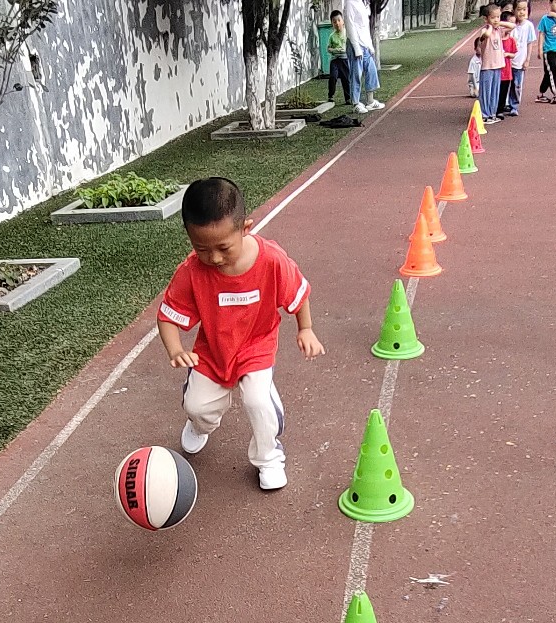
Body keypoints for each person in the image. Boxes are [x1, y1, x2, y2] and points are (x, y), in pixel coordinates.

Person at [157, 178, 325, 492]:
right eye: (202, 248)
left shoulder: (271, 260)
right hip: (213, 352)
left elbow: (298, 293)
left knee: (259, 402)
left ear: (245, 228)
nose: (214, 258)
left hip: (256, 347)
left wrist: (306, 328)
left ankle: (269, 457)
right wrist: (175, 349)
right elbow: (167, 316)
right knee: (197, 407)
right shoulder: (191, 272)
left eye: (224, 248)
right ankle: (201, 425)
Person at [345, 0, 385, 113]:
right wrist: (356, 47)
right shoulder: (349, 3)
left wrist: (370, 46)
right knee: (356, 75)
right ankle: (356, 103)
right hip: (355, 44)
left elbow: (365, 27)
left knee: (371, 71)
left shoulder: (363, 3)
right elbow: (350, 26)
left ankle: (370, 101)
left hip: (365, 45)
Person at [478, 4, 506, 123]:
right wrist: (490, 26)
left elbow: (513, 26)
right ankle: (485, 114)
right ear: (486, 19)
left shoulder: (498, 30)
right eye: (493, 17)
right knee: (486, 92)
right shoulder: (485, 30)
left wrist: (499, 23)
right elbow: (487, 35)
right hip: (487, 67)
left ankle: (492, 113)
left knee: (495, 91)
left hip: (498, 65)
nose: (496, 20)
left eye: (498, 17)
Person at [508, 0, 537, 114]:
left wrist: (527, 60)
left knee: (517, 84)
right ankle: (505, 103)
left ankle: (514, 106)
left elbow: (529, 43)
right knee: (506, 84)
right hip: (508, 60)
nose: (522, 12)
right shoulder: (511, 25)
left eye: (524, 9)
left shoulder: (528, 26)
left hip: (520, 61)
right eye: (519, 9)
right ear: (514, 10)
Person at [536, 0, 556, 104]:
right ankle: (555, 93)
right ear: (550, 3)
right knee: (552, 71)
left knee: (549, 72)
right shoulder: (544, 19)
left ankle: (541, 93)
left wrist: (553, 14)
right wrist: (540, 49)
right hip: (549, 50)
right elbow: (541, 34)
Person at [327, 10, 351, 104]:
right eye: (334, 22)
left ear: (343, 21)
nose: (337, 23)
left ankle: (348, 98)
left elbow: (347, 47)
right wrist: (335, 50)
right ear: (332, 24)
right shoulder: (331, 36)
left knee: (346, 79)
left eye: (339, 20)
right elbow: (328, 48)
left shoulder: (347, 33)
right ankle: (331, 96)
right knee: (333, 77)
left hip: (344, 59)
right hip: (335, 60)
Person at [497, 19, 518, 114]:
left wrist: (507, 54)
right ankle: (494, 109)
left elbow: (513, 54)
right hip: (497, 70)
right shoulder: (496, 39)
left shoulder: (511, 40)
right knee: (496, 91)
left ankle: (500, 110)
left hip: (506, 71)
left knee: (504, 91)